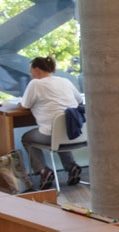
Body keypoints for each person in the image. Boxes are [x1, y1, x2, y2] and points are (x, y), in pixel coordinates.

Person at [18, 56, 84, 190]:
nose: (31, 75)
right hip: (75, 133)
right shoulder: (65, 81)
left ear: (36, 70)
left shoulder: (35, 84)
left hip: (53, 134)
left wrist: (20, 103)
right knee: (58, 133)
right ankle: (71, 166)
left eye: (31, 71)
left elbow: (24, 106)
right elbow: (79, 101)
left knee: (26, 138)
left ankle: (43, 171)